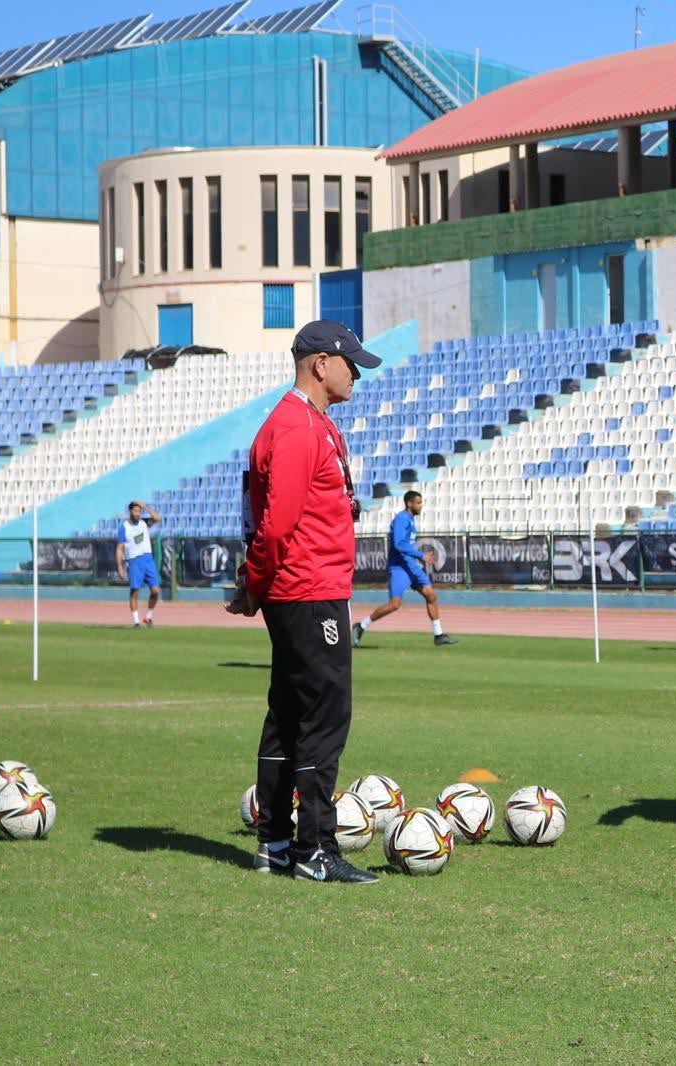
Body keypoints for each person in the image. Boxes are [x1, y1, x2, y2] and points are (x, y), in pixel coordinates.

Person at [227, 320, 381, 884]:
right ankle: (314, 849)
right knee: (323, 716)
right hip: (310, 592)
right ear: (321, 364)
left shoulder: (310, 424)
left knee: (289, 714)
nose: (357, 375)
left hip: (304, 589)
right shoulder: (297, 429)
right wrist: (254, 584)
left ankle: (275, 842)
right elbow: (275, 526)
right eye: (351, 364)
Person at [353, 491, 457, 647]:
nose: (421, 506)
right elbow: (399, 544)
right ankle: (361, 626)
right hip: (399, 567)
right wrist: (421, 555)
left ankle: (439, 635)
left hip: (411, 565)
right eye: (418, 503)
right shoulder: (402, 519)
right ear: (409, 504)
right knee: (394, 605)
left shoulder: (410, 520)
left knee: (431, 595)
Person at [115, 500, 162, 628]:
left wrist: (145, 506)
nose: (138, 513)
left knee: (156, 591)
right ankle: (136, 622)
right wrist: (120, 567)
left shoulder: (144, 523)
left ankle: (148, 616)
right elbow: (119, 548)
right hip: (135, 560)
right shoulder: (124, 527)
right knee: (135, 591)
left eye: (139, 511)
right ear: (130, 511)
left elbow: (157, 518)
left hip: (148, 559)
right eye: (135, 511)